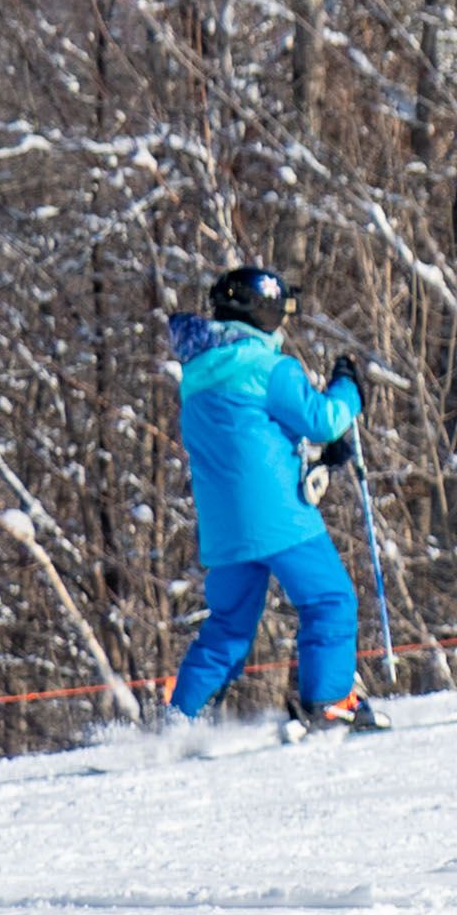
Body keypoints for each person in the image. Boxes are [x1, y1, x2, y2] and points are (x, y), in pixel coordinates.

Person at [163, 263, 379, 736]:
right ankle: (329, 702)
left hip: (224, 527)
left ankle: (180, 721)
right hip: (279, 518)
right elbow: (322, 419)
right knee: (330, 599)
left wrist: (319, 454)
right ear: (262, 312)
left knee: (229, 627)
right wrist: (349, 387)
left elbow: (252, 437)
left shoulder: (198, 373)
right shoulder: (268, 367)